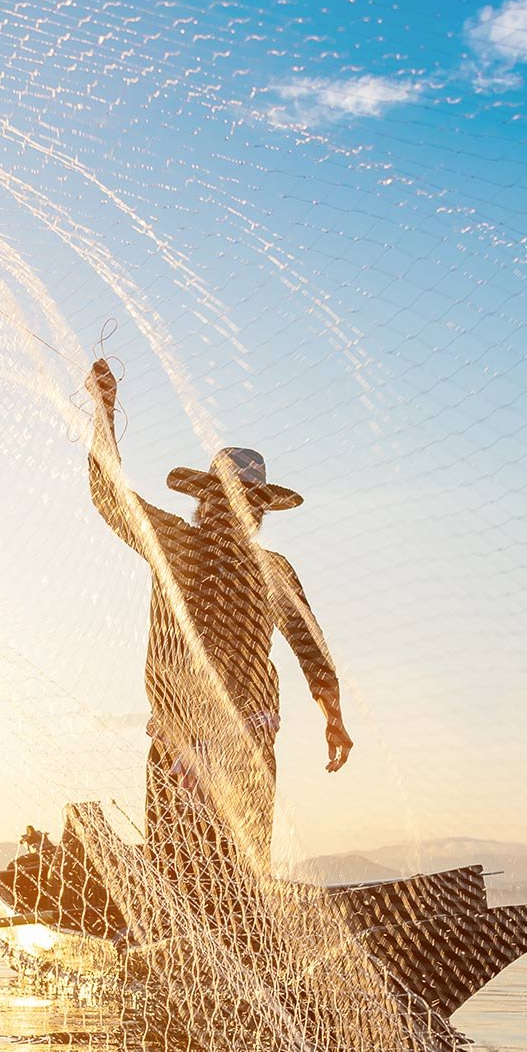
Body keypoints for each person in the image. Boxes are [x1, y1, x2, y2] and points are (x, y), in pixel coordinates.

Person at [83, 359, 350, 884]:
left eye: (247, 504)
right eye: (229, 500)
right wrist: (104, 413)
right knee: (176, 875)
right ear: (207, 501)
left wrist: (333, 718)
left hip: (248, 747)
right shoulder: (177, 545)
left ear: (258, 512)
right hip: (182, 745)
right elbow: (109, 497)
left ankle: (239, 948)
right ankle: (177, 950)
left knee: (243, 877)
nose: (237, 512)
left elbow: (311, 650)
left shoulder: (272, 571)